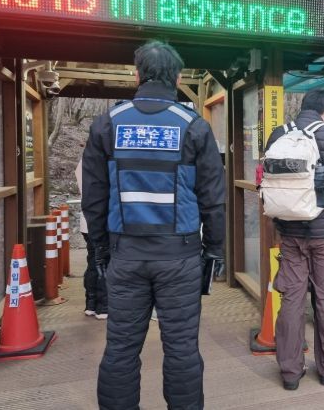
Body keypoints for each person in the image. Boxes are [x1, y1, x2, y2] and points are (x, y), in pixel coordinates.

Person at [82, 40, 225, 410]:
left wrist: (100, 250)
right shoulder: (194, 127)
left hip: (125, 256)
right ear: (177, 78)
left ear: (137, 75)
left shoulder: (107, 124)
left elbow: (94, 199)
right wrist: (214, 250)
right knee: (182, 349)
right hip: (180, 259)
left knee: (120, 348)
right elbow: (213, 198)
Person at [266, 89, 324, 390]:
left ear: (303, 108)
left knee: (291, 299)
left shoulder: (278, 134)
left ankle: (290, 373)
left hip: (290, 233)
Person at [75, 158, 107, 320]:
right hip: (100, 221)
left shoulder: (83, 162)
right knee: (103, 263)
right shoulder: (100, 160)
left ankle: (91, 304)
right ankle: (103, 307)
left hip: (87, 222)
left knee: (93, 262)